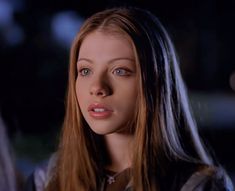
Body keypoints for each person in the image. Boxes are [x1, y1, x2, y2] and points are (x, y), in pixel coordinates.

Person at [25, 7, 234, 191]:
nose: (97, 88)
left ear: (155, 82)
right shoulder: (46, 180)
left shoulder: (200, 186)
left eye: (120, 71)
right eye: (86, 70)